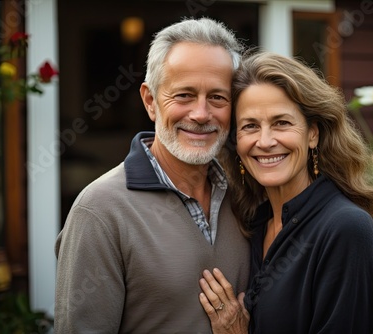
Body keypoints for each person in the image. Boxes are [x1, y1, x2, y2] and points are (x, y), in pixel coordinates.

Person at [54, 17, 250, 333]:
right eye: (184, 95)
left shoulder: (246, 195)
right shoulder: (100, 211)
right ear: (150, 101)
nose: (201, 114)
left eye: (217, 97)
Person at [198, 51, 373, 333]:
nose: (265, 141)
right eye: (250, 126)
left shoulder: (346, 229)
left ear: (313, 134)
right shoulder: (254, 223)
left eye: (281, 122)